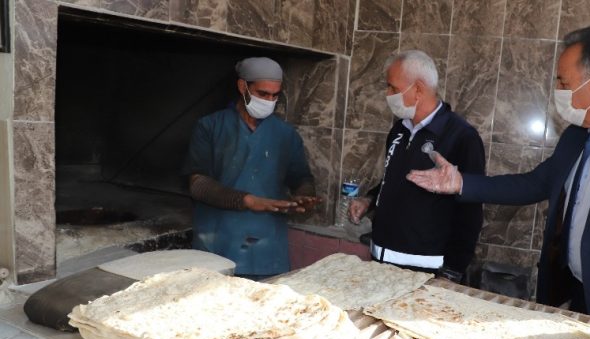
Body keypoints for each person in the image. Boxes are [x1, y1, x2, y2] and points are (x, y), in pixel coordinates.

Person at [406, 26, 590, 325]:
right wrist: (460, 182)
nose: (559, 90)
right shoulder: (578, 135)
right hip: (575, 293)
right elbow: (535, 183)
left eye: (564, 81)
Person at [348, 50, 485, 281]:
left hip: (425, 269)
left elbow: (471, 211)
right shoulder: (399, 130)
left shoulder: (462, 136)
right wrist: (369, 199)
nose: (387, 94)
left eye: (393, 88)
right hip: (381, 261)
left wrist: (452, 271)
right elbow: (394, 179)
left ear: (418, 90)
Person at [183, 57, 319, 280]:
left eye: (275, 95)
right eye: (263, 94)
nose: (269, 100)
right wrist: (247, 201)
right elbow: (198, 185)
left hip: (267, 249)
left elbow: (301, 177)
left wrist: (304, 195)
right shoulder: (210, 126)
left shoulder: (285, 134)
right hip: (219, 244)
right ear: (242, 86)